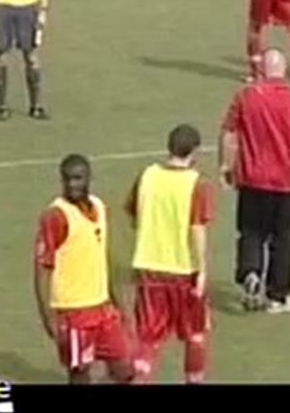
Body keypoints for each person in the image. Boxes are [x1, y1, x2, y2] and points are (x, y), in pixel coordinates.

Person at [219, 48, 290, 313]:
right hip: (286, 183)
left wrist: (225, 167)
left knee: (251, 233)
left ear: (261, 70)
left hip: (252, 180)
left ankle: (250, 273)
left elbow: (229, 134)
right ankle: (277, 296)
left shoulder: (246, 96)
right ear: (284, 71)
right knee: (284, 239)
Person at [126, 124, 215, 384]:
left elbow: (134, 215)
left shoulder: (147, 175)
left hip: (148, 267)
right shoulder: (196, 183)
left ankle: (139, 379)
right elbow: (197, 228)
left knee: (148, 339)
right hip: (183, 270)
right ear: (195, 151)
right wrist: (202, 270)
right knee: (195, 335)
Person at [34, 154, 133, 384]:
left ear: (88, 178)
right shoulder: (56, 216)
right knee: (79, 374)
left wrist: (119, 302)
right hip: (73, 312)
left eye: (77, 179)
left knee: (124, 370)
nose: (72, 185)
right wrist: (48, 318)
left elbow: (102, 257)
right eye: (67, 179)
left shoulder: (99, 207)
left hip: (102, 308)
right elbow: (42, 270)